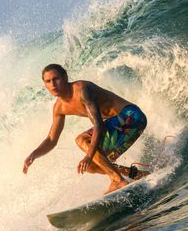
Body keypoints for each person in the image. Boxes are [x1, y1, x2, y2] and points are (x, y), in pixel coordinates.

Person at [22, 64, 148, 193]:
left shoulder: (82, 90)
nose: (53, 84)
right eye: (48, 81)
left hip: (132, 116)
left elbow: (99, 125)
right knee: (91, 166)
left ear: (65, 77)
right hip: (124, 126)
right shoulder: (59, 108)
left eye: (56, 79)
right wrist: (34, 154)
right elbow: (51, 139)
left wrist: (88, 155)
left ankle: (117, 180)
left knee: (81, 140)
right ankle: (137, 174)